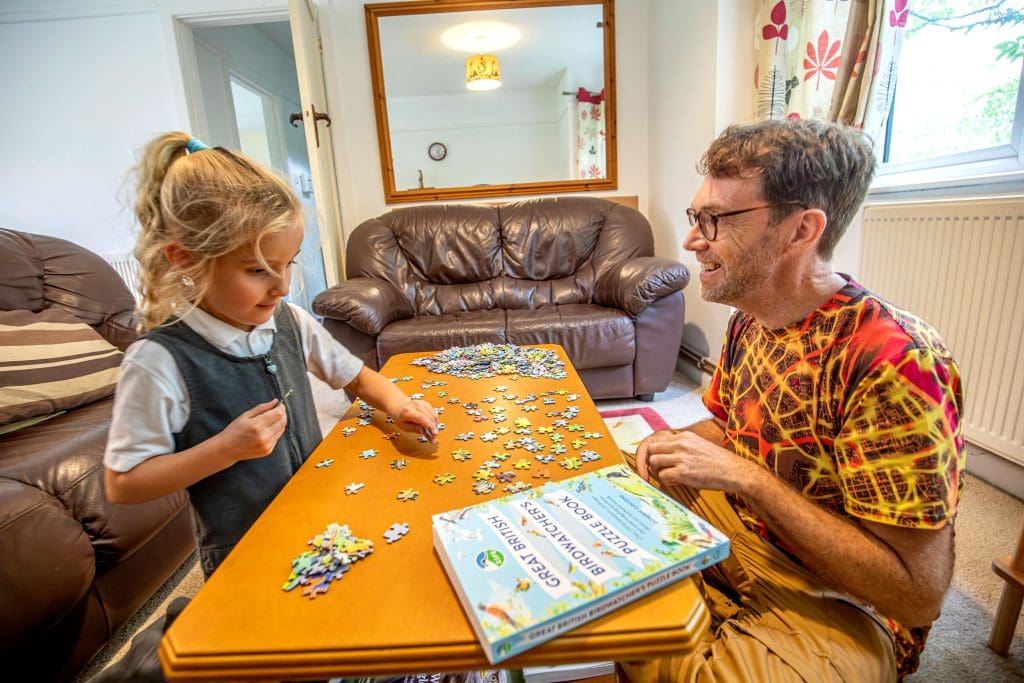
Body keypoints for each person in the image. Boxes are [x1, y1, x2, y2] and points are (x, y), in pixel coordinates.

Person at [621, 120, 964, 682]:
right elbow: (728, 433)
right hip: (749, 530)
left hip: (843, 595)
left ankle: (713, 622)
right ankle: (706, 612)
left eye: (716, 220)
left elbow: (915, 597)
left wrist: (751, 480)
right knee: (615, 482)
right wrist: (673, 441)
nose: (691, 240)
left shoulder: (896, 362)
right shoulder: (750, 319)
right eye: (695, 217)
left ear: (800, 230)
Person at [103, 132, 438, 580]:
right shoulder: (158, 360)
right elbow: (122, 483)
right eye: (258, 269)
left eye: (288, 262)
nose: (281, 286)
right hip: (243, 555)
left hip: (320, 518)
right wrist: (223, 450)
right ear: (185, 259)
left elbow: (357, 377)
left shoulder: (289, 320)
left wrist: (400, 406)